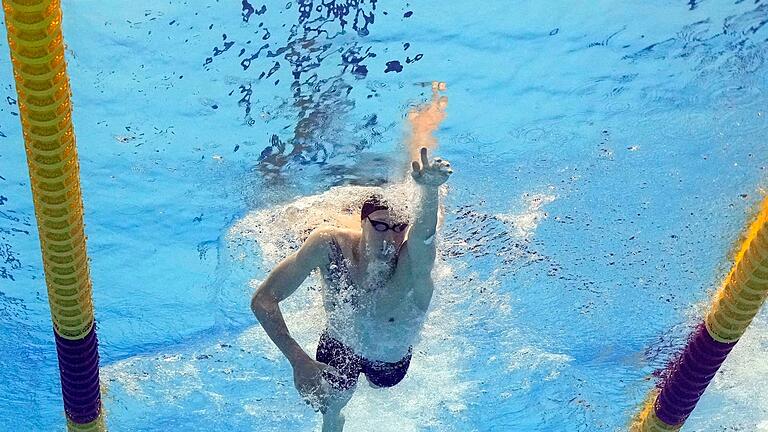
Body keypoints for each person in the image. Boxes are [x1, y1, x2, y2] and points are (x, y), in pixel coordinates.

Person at [250, 85, 451, 432]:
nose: (390, 236)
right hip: (340, 342)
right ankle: (333, 418)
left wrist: (429, 191)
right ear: (362, 223)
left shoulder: (410, 265)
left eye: (397, 227)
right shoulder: (328, 245)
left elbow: (424, 238)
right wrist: (298, 360)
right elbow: (263, 300)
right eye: (380, 225)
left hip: (388, 361)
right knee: (328, 401)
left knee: (381, 383)